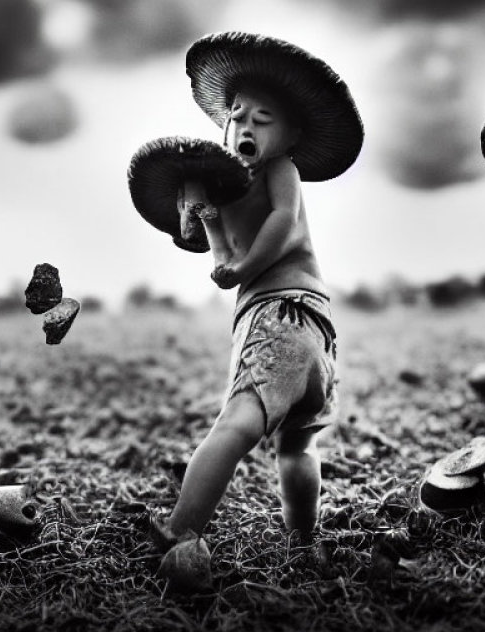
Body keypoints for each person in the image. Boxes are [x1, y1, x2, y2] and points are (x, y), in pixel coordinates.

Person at [152, 32, 364, 551]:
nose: (245, 125)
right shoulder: (223, 190)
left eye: (262, 120)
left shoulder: (280, 170)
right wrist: (194, 208)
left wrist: (244, 264)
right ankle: (303, 538)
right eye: (238, 115)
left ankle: (182, 528)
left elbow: (283, 222)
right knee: (296, 447)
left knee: (236, 424)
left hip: (280, 315)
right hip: (316, 334)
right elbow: (200, 241)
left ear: (290, 139)